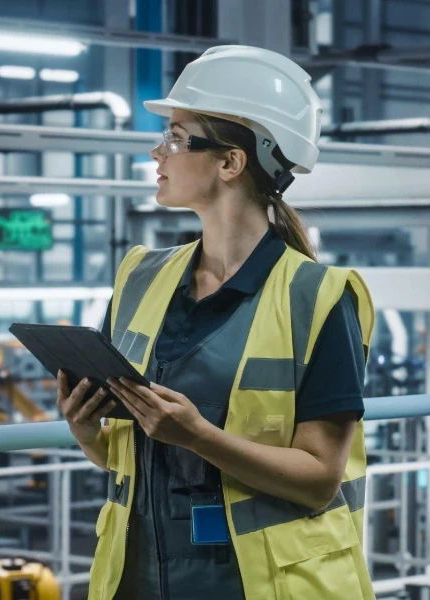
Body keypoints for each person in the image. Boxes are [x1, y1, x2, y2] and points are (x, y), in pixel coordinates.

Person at [56, 46, 376, 600]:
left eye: (177, 138)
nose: (158, 152)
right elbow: (139, 452)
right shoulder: (140, 278)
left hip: (261, 586)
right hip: (144, 581)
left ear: (231, 163)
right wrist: (88, 432)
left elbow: (321, 478)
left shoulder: (319, 298)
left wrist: (199, 435)